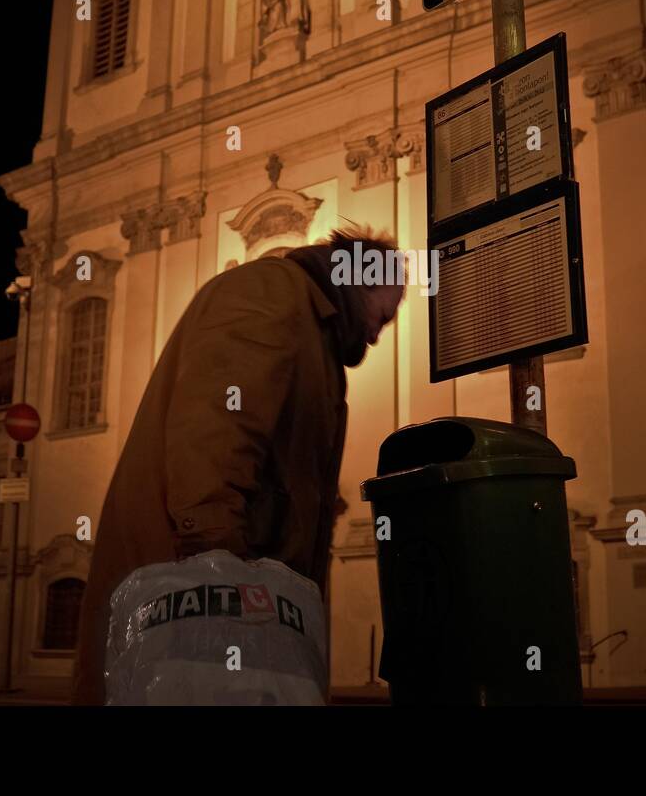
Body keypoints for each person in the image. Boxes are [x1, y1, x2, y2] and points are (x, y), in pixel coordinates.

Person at [71, 228, 405, 705]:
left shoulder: (314, 331)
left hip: (236, 594)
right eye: (384, 315)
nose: (377, 333)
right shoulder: (274, 293)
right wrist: (219, 571)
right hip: (191, 595)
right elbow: (216, 431)